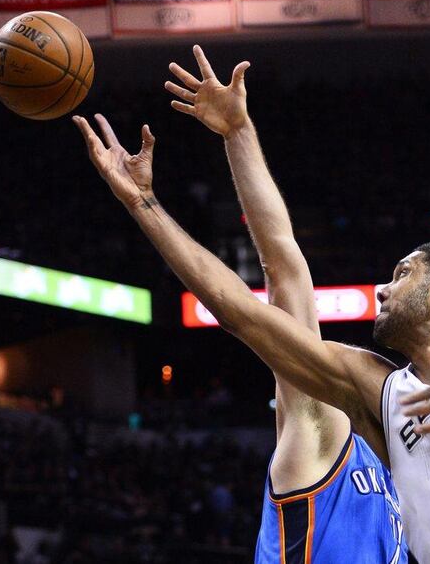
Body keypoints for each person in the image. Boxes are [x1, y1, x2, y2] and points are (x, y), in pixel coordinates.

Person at [72, 47, 430, 563]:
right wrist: (150, 198)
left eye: (402, 275)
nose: (382, 289)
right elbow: (241, 305)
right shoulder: (377, 390)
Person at [168, 45, 406, 562]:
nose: (386, 289)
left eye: (404, 275)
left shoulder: (409, 470)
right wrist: (238, 134)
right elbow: (284, 267)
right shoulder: (325, 428)